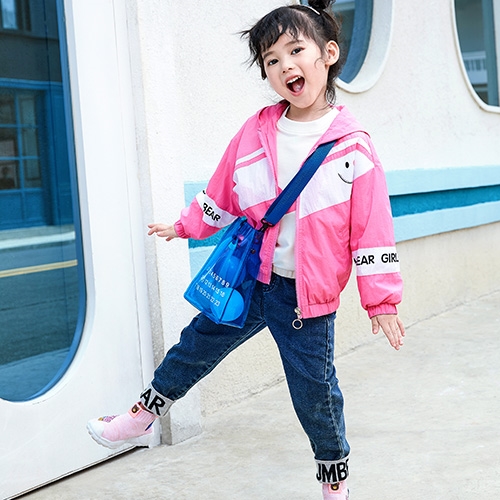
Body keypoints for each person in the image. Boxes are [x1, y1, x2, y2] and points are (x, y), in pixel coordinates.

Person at [87, 1, 405, 498]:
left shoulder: (354, 147)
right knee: (195, 345)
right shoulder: (256, 130)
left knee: (314, 392)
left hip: (305, 299)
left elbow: (372, 230)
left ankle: (334, 481)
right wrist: (185, 225)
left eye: (295, 51)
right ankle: (143, 414)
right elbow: (224, 192)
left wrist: (381, 300)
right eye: (271, 60)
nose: (285, 66)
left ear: (328, 54)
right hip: (251, 278)